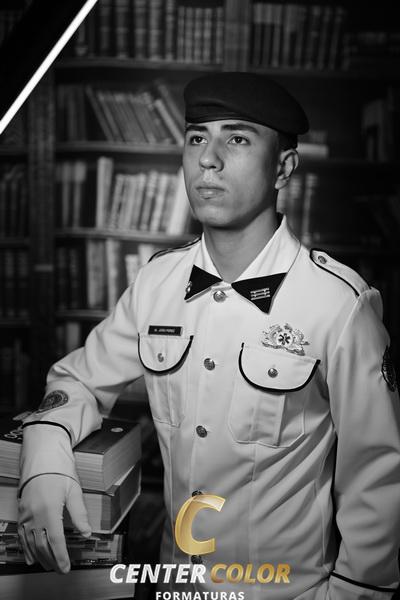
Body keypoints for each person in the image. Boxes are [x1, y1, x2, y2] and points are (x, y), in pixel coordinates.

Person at [18, 72, 400, 599]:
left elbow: (377, 476)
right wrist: (43, 458)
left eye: (237, 139)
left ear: (284, 167)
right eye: (197, 137)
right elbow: (77, 380)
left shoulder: (338, 304)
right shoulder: (158, 283)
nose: (208, 159)